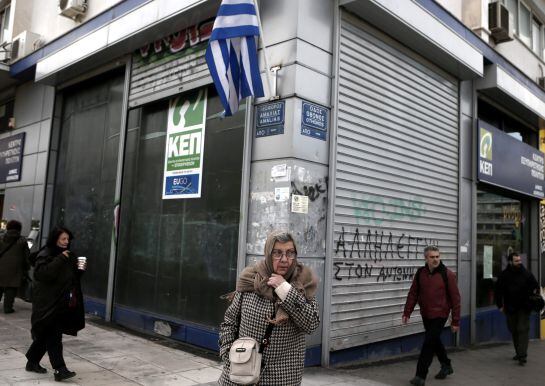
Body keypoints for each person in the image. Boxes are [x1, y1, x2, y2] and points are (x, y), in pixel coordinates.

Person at [218, 230, 320, 385]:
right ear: (268, 253)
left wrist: (286, 290)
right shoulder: (250, 279)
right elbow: (230, 321)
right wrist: (228, 354)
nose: (285, 259)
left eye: (290, 253)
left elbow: (311, 324)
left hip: (282, 377)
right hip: (241, 372)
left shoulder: (303, 283)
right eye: (277, 253)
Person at [25, 227, 86, 382]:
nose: (66, 242)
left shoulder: (68, 255)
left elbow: (70, 278)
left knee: (46, 334)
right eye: (63, 239)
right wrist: (61, 259)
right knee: (54, 336)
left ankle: (32, 361)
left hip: (62, 303)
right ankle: (60, 369)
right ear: (55, 239)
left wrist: (80, 270)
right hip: (48, 303)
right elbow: (43, 274)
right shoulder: (46, 254)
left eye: (68, 239)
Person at [402, 245, 461, 386]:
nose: (435, 259)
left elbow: (456, 299)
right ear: (426, 258)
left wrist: (455, 321)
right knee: (434, 341)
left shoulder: (447, 274)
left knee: (428, 343)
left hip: (440, 314)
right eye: (432, 257)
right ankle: (446, 364)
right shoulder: (420, 273)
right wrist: (407, 312)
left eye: (437, 256)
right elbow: (413, 293)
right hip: (426, 313)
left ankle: (420, 376)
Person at [495, 252, 539, 366]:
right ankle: (518, 352)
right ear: (510, 262)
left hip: (524, 307)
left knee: (522, 329)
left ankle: (522, 356)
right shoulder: (504, 275)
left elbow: (535, 286)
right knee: (514, 329)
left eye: (520, 260)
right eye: (516, 261)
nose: (519, 263)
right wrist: (499, 305)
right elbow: (498, 291)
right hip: (510, 308)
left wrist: (532, 296)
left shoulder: (526, 274)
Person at [0, 220, 30, 313]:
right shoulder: (22, 240)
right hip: (15, 268)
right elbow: (26, 256)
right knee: (11, 288)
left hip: (0, 266)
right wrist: (26, 267)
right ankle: (8, 308)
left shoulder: (1, 238)